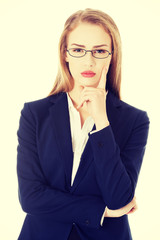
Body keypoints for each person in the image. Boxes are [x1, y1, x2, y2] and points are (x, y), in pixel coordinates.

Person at [17, 8, 150, 240]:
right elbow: (30, 197)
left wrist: (102, 121)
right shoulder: (35, 114)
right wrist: (100, 211)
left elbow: (119, 199)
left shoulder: (134, 120)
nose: (88, 60)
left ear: (112, 55)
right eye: (78, 50)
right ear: (65, 54)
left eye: (99, 51)